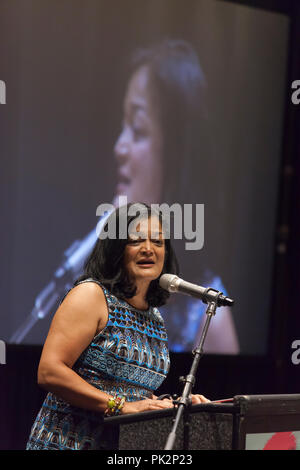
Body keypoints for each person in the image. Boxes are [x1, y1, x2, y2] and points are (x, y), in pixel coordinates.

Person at [26, 204, 209, 451]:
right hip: (68, 443)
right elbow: (50, 371)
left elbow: (134, 394)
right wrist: (118, 405)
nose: (148, 249)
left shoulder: (155, 317)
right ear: (116, 249)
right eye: (135, 241)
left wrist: (177, 405)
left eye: (157, 241)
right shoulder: (91, 295)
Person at [112, 38, 239, 353]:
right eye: (123, 125)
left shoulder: (207, 314)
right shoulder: (91, 265)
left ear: (177, 155)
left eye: (138, 129)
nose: (119, 147)